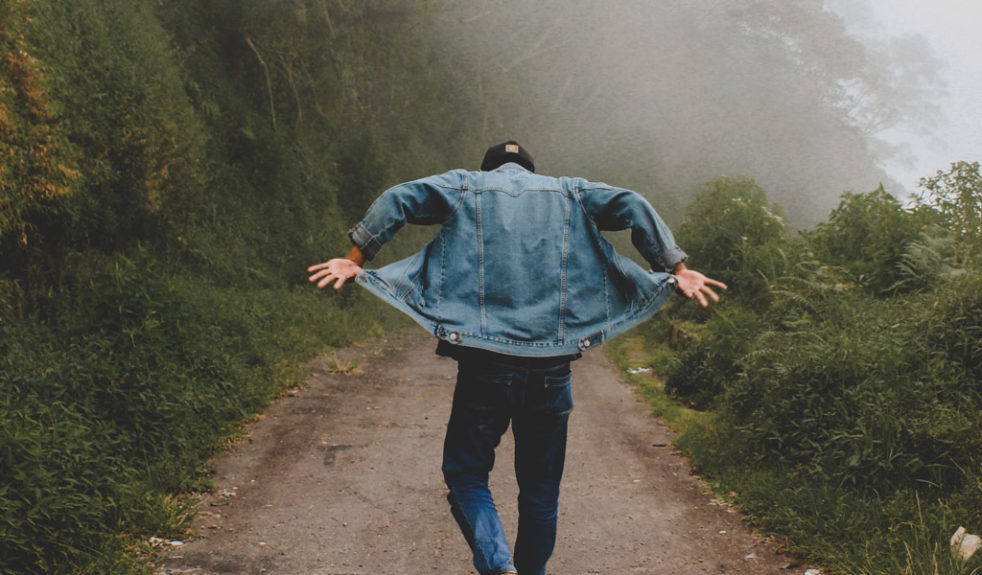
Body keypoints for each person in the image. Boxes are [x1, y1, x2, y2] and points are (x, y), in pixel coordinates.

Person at [307, 141, 725, 575]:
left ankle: (498, 566)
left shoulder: (466, 186)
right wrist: (676, 268)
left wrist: (356, 259)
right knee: (540, 494)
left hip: (483, 367)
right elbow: (632, 204)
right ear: (530, 169)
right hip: (552, 371)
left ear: (488, 168)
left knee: (467, 475)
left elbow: (401, 198)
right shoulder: (571, 192)